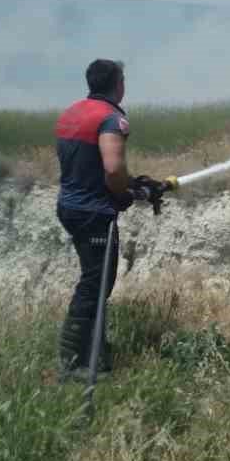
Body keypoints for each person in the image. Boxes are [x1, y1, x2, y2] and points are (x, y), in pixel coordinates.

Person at [54, 58, 153, 380]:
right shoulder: (112, 119)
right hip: (93, 212)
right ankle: (74, 364)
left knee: (94, 280)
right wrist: (124, 193)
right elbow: (112, 169)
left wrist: (127, 185)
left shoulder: (72, 112)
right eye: (123, 80)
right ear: (117, 84)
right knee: (96, 284)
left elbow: (87, 164)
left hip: (70, 206)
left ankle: (95, 354)